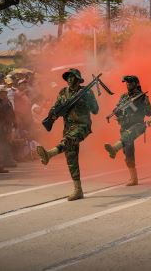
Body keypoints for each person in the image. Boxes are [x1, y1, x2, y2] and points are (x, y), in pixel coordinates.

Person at [36, 69, 99, 201]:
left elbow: (95, 110)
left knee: (69, 140)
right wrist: (52, 115)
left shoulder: (86, 92)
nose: (70, 79)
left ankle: (49, 154)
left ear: (78, 79)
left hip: (82, 126)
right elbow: (56, 107)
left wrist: (87, 99)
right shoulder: (62, 93)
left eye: (72, 77)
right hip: (68, 128)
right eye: (68, 77)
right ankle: (78, 190)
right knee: (71, 158)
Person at [104, 75, 151, 186]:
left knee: (127, 137)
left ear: (136, 84)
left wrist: (135, 106)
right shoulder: (124, 97)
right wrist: (117, 111)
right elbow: (117, 109)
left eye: (130, 83)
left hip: (138, 125)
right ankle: (133, 179)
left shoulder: (142, 97)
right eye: (127, 83)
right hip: (125, 125)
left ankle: (114, 148)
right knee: (127, 151)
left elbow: (149, 112)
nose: (128, 85)